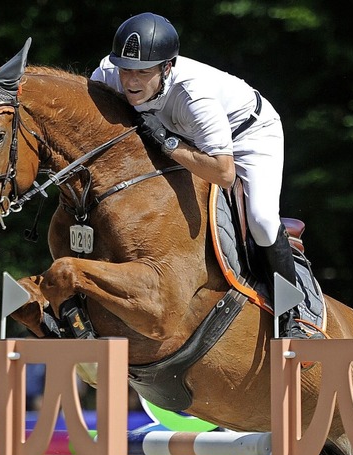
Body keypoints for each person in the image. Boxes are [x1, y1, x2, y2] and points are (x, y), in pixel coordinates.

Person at [91, 12, 311, 338]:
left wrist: (166, 142)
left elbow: (224, 172)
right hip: (184, 134)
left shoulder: (195, 96)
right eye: (125, 70)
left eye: (142, 72)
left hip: (247, 135)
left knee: (262, 219)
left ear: (166, 67)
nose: (131, 82)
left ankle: (291, 314)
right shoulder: (107, 75)